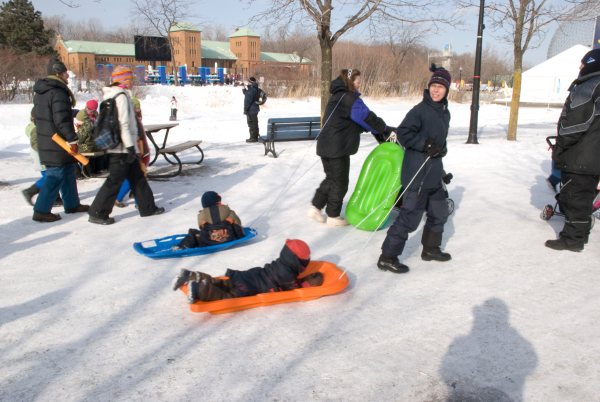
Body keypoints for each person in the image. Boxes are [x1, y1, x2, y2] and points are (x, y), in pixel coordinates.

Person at [378, 65, 452, 274]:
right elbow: (403, 133)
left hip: (434, 173)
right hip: (417, 174)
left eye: (440, 87)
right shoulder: (419, 111)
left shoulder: (445, 113)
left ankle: (431, 249)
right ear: (429, 88)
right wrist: (425, 145)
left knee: (439, 213)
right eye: (433, 86)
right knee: (409, 218)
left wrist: (441, 149)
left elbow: (439, 140)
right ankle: (388, 257)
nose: (436, 90)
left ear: (447, 90)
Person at [309, 68, 394, 226]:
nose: (359, 83)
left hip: (326, 145)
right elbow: (366, 117)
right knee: (340, 182)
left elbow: (349, 122)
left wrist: (369, 128)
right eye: (357, 81)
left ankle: (315, 207)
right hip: (337, 147)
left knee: (331, 178)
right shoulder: (349, 98)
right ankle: (333, 216)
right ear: (349, 81)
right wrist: (384, 128)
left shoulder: (336, 96)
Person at [88, 65, 164, 225]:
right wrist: (130, 147)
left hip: (122, 146)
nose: (131, 81)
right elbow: (123, 124)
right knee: (114, 181)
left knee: (137, 178)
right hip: (122, 148)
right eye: (129, 78)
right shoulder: (121, 96)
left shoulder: (113, 95)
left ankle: (147, 207)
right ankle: (98, 212)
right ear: (123, 80)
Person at [545, 49, 600, 252]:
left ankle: (572, 239)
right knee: (583, 197)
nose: (580, 68)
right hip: (593, 156)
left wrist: (560, 147)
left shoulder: (589, 86)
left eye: (583, 64)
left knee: (574, 197)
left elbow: (576, 123)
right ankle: (580, 235)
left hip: (581, 156)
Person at [171, 239, 324, 303]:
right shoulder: (288, 274)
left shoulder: (281, 263)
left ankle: (190, 275)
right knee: (227, 296)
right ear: (298, 261)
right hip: (252, 286)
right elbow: (292, 289)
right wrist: (308, 282)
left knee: (222, 284)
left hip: (249, 275)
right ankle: (199, 288)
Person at [31, 57, 89, 222]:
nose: (67, 76)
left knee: (69, 171)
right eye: (65, 73)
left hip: (48, 139)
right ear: (58, 73)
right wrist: (73, 138)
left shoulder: (42, 91)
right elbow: (62, 120)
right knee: (55, 175)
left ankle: (72, 204)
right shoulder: (58, 92)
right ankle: (41, 210)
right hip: (57, 141)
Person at [114, 96, 151, 208]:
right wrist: (141, 155)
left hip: (134, 152)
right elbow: (137, 138)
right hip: (138, 152)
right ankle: (137, 201)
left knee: (133, 177)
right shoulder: (132, 119)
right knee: (136, 177)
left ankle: (121, 198)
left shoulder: (127, 118)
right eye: (138, 108)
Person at [22, 108, 63, 207]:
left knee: (53, 176)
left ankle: (55, 198)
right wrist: (47, 149)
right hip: (43, 157)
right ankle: (30, 191)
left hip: (43, 156)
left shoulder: (36, 127)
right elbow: (35, 143)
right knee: (50, 177)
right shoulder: (35, 129)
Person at [176, 191, 244, 249]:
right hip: (229, 237)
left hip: (208, 241)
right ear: (217, 202)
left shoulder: (202, 214)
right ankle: (239, 235)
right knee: (234, 224)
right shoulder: (227, 210)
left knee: (193, 232)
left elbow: (201, 227)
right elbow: (238, 222)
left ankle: (184, 245)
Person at [242, 76, 261, 143]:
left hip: (251, 109)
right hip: (255, 108)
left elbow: (248, 100)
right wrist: (244, 90)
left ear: (250, 82)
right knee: (255, 123)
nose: (247, 83)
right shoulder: (255, 88)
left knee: (251, 123)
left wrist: (245, 110)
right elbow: (249, 95)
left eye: (248, 81)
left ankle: (253, 138)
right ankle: (255, 136)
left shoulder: (251, 90)